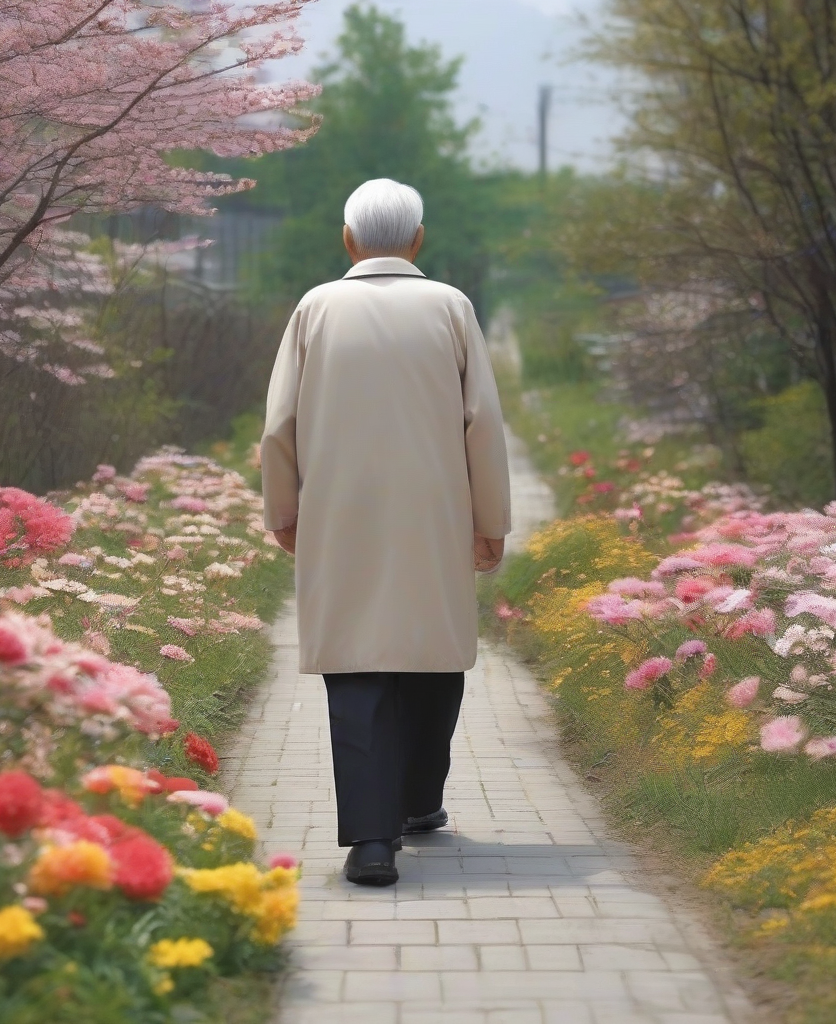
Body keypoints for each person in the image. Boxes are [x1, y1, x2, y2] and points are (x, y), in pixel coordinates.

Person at [259, 178, 512, 886]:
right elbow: (483, 426)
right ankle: (419, 801)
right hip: (436, 511)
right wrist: (490, 521)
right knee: (433, 652)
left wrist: (284, 510)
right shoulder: (452, 307)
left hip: (341, 512)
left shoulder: (315, 308)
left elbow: (279, 425)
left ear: (348, 240)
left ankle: (373, 841)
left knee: (358, 662)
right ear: (418, 239)